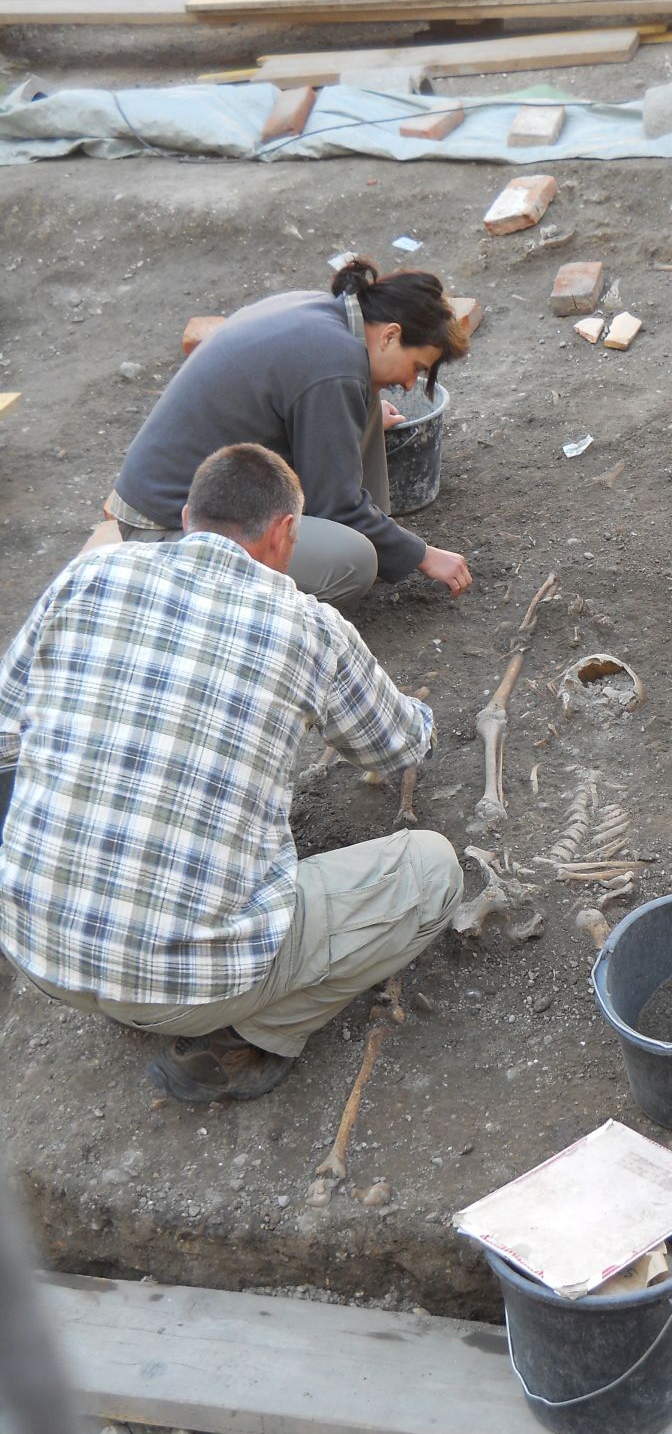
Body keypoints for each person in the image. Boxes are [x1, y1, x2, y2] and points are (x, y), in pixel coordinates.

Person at [0, 443, 463, 1103]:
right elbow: (397, 749)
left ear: (188, 517)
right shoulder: (312, 627)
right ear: (285, 533)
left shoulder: (86, 576)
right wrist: (417, 713)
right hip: (190, 987)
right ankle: (251, 1037)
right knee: (431, 869)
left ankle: (81, 926)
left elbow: (6, 734)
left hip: (32, 950)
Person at [107, 256, 473, 607]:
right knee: (353, 561)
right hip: (166, 532)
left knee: (370, 400)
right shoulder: (335, 365)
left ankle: (376, 530)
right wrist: (421, 554)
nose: (410, 384)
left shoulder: (326, 318)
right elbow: (336, 507)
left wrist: (360, 412)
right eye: (416, 367)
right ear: (391, 336)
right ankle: (261, 609)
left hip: (188, 497)